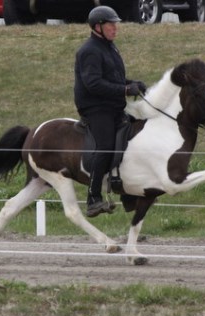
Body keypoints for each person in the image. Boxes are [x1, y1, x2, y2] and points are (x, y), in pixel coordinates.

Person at [74, 6, 147, 218]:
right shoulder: (89, 50)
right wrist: (125, 90)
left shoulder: (110, 47)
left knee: (131, 137)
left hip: (113, 105)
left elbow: (113, 78)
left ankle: (126, 193)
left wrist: (133, 83)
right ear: (98, 27)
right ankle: (93, 199)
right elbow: (93, 83)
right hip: (96, 107)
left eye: (116, 24)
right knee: (105, 147)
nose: (115, 28)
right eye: (111, 24)